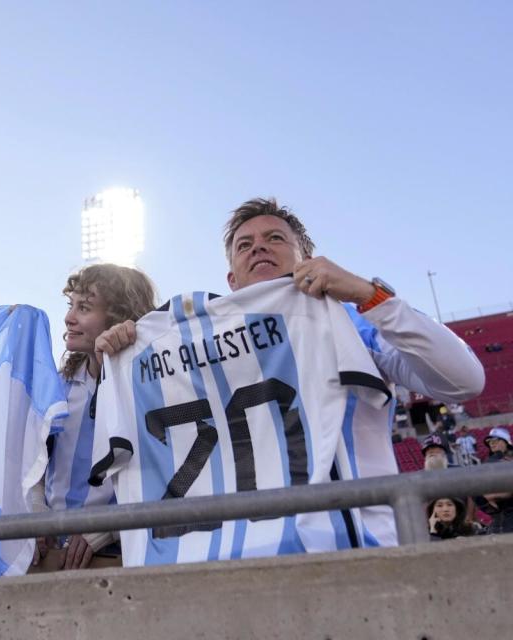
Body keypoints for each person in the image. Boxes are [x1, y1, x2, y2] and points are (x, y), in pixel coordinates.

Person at [95, 197, 485, 548]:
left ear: (308, 259)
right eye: (243, 245)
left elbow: (464, 379)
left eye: (275, 238)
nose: (258, 247)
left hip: (353, 554)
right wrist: (128, 353)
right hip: (236, 562)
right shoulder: (190, 349)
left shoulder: (349, 320)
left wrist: (371, 296)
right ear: (231, 282)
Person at [32, 264, 157, 571]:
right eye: (71, 305)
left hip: (118, 555)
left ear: (117, 316)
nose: (69, 317)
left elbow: (161, 469)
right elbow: (33, 461)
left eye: (84, 308)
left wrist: (105, 528)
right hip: (51, 552)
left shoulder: (150, 385)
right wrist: (34, 513)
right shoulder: (58, 385)